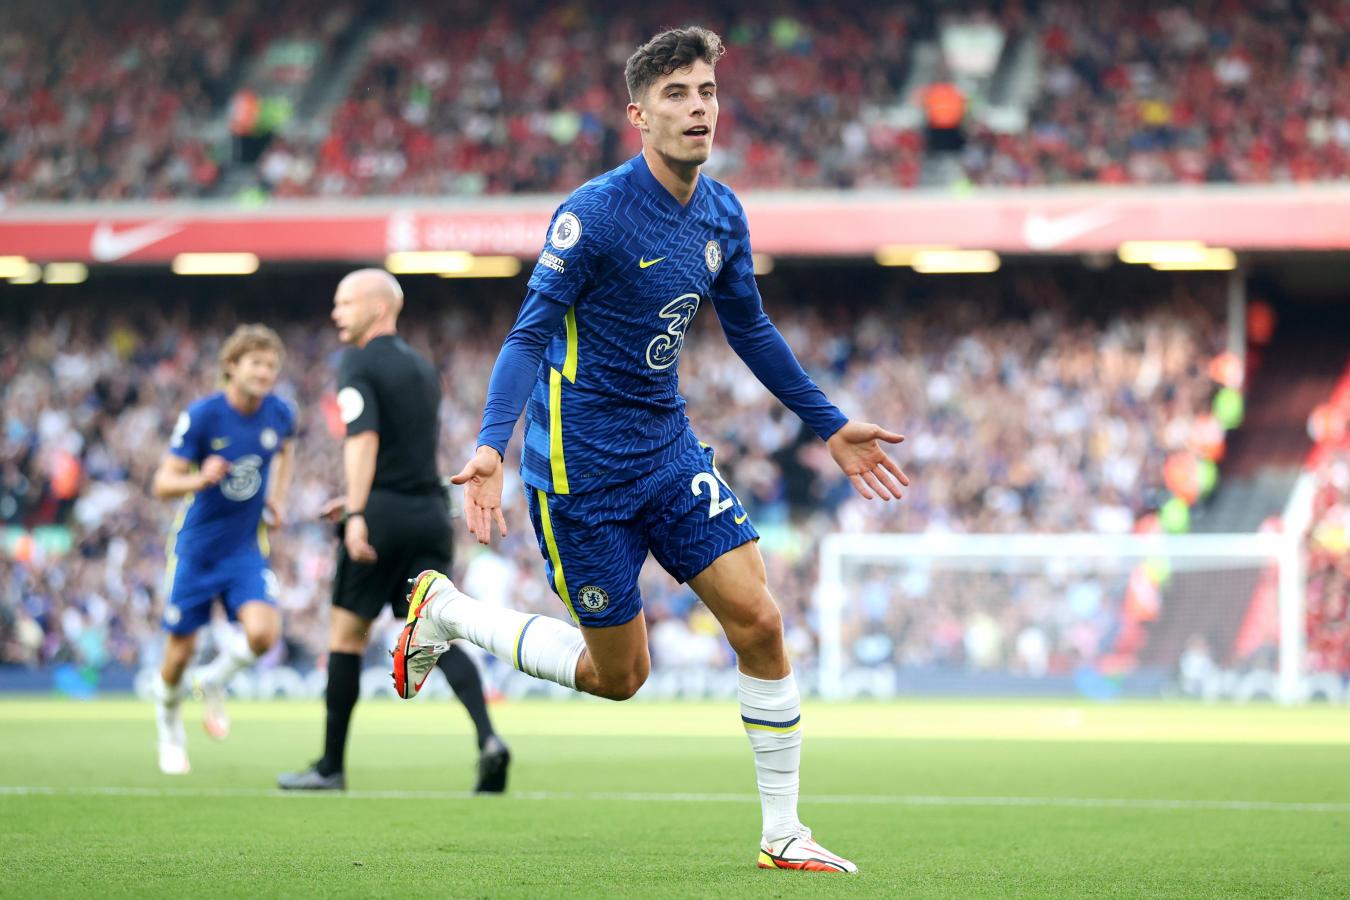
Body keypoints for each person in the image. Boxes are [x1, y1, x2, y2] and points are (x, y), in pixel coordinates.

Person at [391, 27, 908, 873]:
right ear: (638, 114)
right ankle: (446, 613)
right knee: (619, 676)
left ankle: (782, 831)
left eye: (705, 91)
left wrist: (827, 422)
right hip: (579, 474)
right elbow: (526, 338)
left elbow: (751, 329)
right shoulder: (591, 215)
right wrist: (491, 444)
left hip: (667, 452)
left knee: (762, 621)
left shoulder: (722, 212)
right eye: (676, 95)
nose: (697, 107)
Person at [277, 268, 510, 792]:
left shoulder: (357, 361)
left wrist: (358, 511)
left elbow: (363, 441)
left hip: (380, 518)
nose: (336, 312)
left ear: (379, 309)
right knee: (438, 633)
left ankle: (331, 767)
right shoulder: (422, 367)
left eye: (345, 302)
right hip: (429, 515)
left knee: (346, 638)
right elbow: (406, 451)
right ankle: (489, 740)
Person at [151, 324, 296, 775]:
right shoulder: (203, 415)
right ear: (231, 367)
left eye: (271, 365)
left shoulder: (280, 413)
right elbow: (161, 484)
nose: (265, 372)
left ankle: (213, 680)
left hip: (245, 549)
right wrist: (200, 476)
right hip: (196, 550)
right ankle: (169, 726)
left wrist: (278, 497)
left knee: (263, 633)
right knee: (178, 654)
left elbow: (287, 451)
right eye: (256, 363)